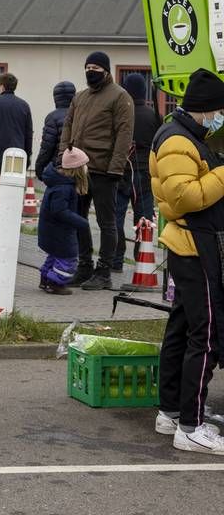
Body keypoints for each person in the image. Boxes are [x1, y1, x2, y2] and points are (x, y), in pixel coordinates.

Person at [150, 69, 224, 454]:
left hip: (186, 245)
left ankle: (173, 412)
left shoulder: (183, 134)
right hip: (193, 247)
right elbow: (184, 197)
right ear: (207, 109)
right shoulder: (179, 141)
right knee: (205, 333)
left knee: (182, 329)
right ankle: (191, 426)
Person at [59, 51, 133, 290]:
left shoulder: (120, 97)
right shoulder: (79, 98)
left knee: (107, 222)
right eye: (87, 67)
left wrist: (116, 167)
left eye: (95, 67)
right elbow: (67, 127)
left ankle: (104, 271)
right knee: (79, 220)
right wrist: (64, 155)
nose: (91, 71)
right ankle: (84, 266)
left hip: (104, 170)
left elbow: (124, 134)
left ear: (106, 70)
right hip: (79, 170)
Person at [111, 73, 161, 273]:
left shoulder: (120, 113)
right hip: (146, 175)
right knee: (144, 219)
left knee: (115, 218)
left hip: (122, 172)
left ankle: (115, 261)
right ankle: (143, 259)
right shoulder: (153, 116)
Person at [0, 73, 33, 232]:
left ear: (2, 86)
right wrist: (28, 155)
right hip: (17, 156)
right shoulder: (24, 105)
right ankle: (10, 225)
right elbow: (28, 133)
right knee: (12, 191)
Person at [37, 148, 90, 295]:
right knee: (68, 258)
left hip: (52, 230)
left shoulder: (59, 182)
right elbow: (59, 211)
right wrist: (80, 222)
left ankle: (46, 279)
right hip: (60, 231)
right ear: (77, 169)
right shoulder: (64, 188)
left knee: (55, 256)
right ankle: (56, 282)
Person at [34, 81, 76, 181]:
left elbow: (47, 146)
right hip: (78, 166)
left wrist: (39, 168)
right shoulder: (80, 114)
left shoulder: (52, 117)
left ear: (55, 98)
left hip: (59, 167)